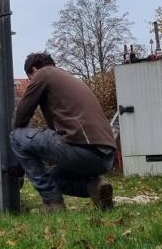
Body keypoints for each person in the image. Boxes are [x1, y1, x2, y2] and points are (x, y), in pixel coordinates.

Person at [9, 52, 117, 212]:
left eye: (30, 79)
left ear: (33, 70)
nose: (32, 82)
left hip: (84, 149)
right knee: (53, 180)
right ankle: (95, 187)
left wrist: (20, 157)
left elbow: (21, 117)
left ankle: (52, 203)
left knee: (16, 137)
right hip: (106, 157)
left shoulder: (43, 73)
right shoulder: (70, 79)